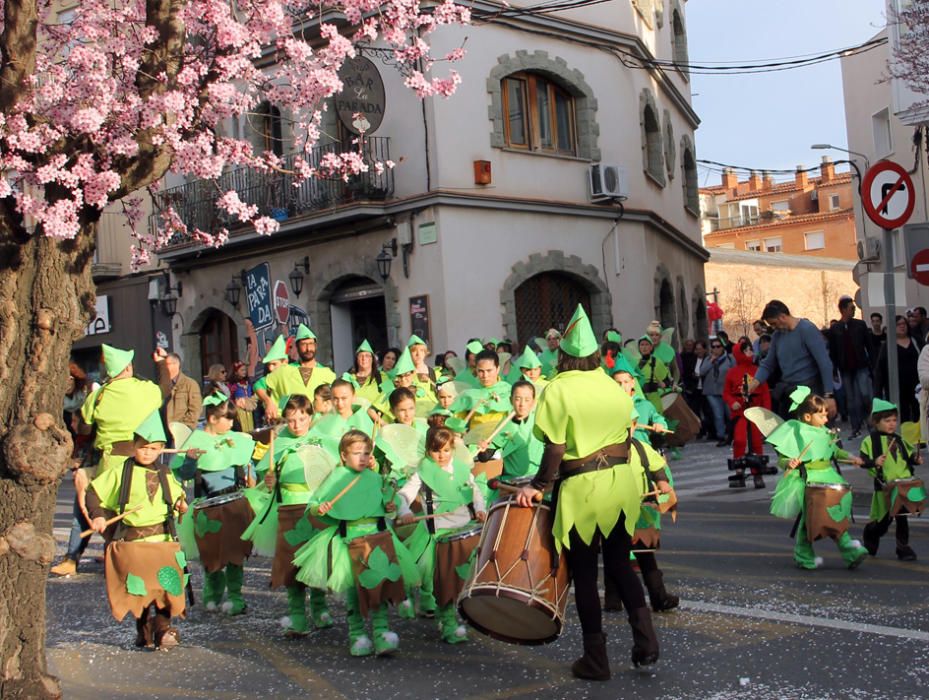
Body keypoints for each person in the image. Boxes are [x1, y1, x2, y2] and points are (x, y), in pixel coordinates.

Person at [517, 304, 665, 680]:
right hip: (618, 485)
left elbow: (553, 447)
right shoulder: (614, 386)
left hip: (581, 486)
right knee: (619, 563)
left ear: (563, 353)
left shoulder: (556, 388)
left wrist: (536, 486)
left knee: (584, 573)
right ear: (596, 354)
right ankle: (646, 643)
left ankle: (596, 660)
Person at [295, 430, 411, 656]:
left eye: (366, 453)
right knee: (354, 593)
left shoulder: (377, 479)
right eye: (356, 453)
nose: (363, 457)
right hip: (348, 540)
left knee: (378, 587)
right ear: (343, 455)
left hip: (378, 538)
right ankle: (357, 634)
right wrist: (321, 508)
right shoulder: (335, 478)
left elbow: (391, 504)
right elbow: (314, 505)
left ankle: (381, 633)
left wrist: (390, 507)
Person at [52, 344, 164, 577]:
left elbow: (84, 425)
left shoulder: (99, 395)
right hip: (144, 458)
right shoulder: (145, 389)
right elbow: (164, 389)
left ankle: (73, 557)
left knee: (89, 503)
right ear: (127, 367)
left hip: (110, 460)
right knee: (141, 508)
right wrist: (161, 364)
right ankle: (132, 556)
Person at [86, 411, 188, 649]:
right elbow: (94, 492)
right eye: (143, 447)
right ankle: (144, 630)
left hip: (162, 541)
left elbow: (177, 498)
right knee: (139, 592)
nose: (147, 452)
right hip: (133, 543)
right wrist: (99, 516)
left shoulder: (165, 473)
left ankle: (163, 628)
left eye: (153, 448)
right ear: (134, 445)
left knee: (166, 589)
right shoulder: (120, 472)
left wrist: (181, 504)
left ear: (161, 449)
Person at [242, 395, 333, 636]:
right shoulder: (279, 443)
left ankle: (320, 607)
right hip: (289, 510)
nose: (296, 425)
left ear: (309, 417)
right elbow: (267, 479)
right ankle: (297, 616)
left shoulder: (323, 441)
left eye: (301, 419)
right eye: (291, 420)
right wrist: (270, 480)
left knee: (316, 561)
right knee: (292, 563)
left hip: (315, 508)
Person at [396, 426, 486, 644]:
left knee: (463, 580)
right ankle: (448, 623)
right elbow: (403, 495)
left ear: (452, 449)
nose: (441, 456)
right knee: (443, 582)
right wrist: (405, 511)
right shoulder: (423, 472)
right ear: (428, 451)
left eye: (446, 450)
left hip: (463, 531)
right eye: (436, 451)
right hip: (438, 536)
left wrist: (480, 508)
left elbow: (475, 491)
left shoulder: (462, 470)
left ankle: (456, 616)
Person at [171, 393, 256, 614]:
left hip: (234, 502)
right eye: (225, 418)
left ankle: (236, 597)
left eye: (231, 418)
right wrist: (190, 459)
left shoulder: (234, 437)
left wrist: (252, 475)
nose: (230, 423)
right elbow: (183, 474)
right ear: (211, 418)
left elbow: (248, 466)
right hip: (207, 505)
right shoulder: (196, 440)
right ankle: (212, 595)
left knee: (236, 553)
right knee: (211, 553)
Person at [766, 388, 868, 570]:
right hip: (809, 479)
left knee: (835, 512)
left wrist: (851, 457)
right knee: (811, 518)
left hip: (828, 476)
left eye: (826, 415)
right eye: (822, 416)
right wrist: (790, 462)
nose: (826, 420)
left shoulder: (825, 432)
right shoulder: (795, 432)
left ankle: (848, 550)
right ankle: (803, 553)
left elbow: (834, 451)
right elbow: (782, 459)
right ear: (807, 417)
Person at [748, 300, 836, 420]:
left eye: (774, 323)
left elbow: (824, 363)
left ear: (783, 317)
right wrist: (755, 382)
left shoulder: (807, 329)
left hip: (812, 391)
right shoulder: (777, 336)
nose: (773, 327)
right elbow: (768, 364)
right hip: (790, 391)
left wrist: (828, 395)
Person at [858, 398, 923, 560]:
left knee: (902, 518)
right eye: (887, 420)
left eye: (894, 420)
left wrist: (916, 459)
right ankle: (871, 532)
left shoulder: (900, 439)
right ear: (876, 422)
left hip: (903, 486)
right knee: (883, 522)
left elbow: (908, 456)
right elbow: (862, 462)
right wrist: (874, 462)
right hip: (884, 487)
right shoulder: (869, 441)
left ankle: (903, 548)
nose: (892, 424)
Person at [723, 339, 771, 488]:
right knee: (740, 441)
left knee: (756, 442)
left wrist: (766, 412)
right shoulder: (732, 373)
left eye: (751, 350)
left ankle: (757, 473)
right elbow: (726, 393)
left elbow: (765, 393)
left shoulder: (758, 370)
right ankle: (739, 471)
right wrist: (732, 403)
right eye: (747, 350)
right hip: (740, 413)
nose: (750, 353)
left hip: (756, 412)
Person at [263, 324, 337, 420]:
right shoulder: (284, 370)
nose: (308, 348)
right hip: (289, 423)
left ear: (316, 346)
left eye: (311, 344)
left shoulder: (328, 374)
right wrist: (268, 401)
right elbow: (259, 385)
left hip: (318, 424)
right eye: (304, 344)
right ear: (297, 346)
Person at [827, 297, 872, 438]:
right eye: (851, 308)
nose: (854, 310)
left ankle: (871, 421)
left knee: (865, 395)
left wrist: (872, 365)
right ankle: (856, 427)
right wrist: (834, 369)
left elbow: (869, 345)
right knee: (851, 400)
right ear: (843, 309)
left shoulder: (860, 325)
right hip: (845, 368)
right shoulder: (835, 328)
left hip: (861, 366)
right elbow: (833, 350)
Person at [875, 315, 921, 423]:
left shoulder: (916, 341)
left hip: (917, 386)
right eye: (898, 324)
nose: (902, 327)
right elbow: (880, 369)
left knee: (919, 413)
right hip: (897, 387)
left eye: (904, 324)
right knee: (902, 415)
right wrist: (877, 392)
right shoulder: (888, 345)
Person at [700, 338, 734, 446]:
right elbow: (702, 371)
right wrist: (711, 361)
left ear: (723, 347)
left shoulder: (730, 359)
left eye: (718, 346)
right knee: (718, 414)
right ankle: (721, 436)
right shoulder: (708, 359)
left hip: (727, 391)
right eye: (713, 347)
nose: (716, 349)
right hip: (711, 391)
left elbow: (735, 372)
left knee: (730, 414)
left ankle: (733, 435)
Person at [636, 334, 672, 413]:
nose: (644, 347)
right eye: (642, 345)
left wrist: (664, 384)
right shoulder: (635, 363)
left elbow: (668, 381)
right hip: (640, 399)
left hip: (653, 399)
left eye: (646, 344)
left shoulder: (657, 362)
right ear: (639, 347)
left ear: (651, 347)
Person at [346, 339, 384, 404]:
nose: (364, 359)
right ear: (357, 359)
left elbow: (389, 395)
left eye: (367, 356)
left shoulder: (382, 377)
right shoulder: (347, 378)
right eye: (361, 356)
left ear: (372, 359)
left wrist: (375, 410)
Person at [228, 360, 257, 433]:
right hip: (239, 410)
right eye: (242, 370)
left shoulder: (248, 382)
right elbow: (230, 397)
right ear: (236, 372)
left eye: (245, 370)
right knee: (242, 428)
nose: (244, 372)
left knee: (250, 427)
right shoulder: (233, 385)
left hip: (249, 408)